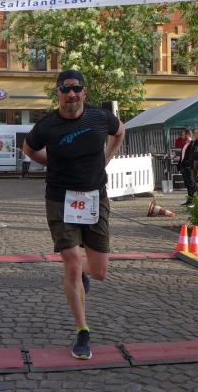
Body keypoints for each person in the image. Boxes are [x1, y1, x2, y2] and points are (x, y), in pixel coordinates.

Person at [23, 70, 125, 360]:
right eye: (66, 89)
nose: (72, 94)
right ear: (58, 92)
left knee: (99, 272)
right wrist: (51, 162)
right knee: (71, 262)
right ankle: (83, 331)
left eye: (77, 88)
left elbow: (120, 131)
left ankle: (83, 274)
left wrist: (105, 159)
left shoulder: (100, 118)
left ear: (84, 92)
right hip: (60, 198)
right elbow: (28, 149)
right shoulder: (47, 125)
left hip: (94, 198)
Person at [177, 129, 195, 205]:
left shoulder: (192, 143)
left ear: (188, 135)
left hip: (188, 167)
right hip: (184, 167)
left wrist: (186, 163)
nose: (182, 136)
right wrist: (180, 164)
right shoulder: (185, 144)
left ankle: (193, 201)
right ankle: (189, 200)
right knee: (187, 184)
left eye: (183, 134)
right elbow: (182, 156)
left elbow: (191, 156)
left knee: (191, 183)